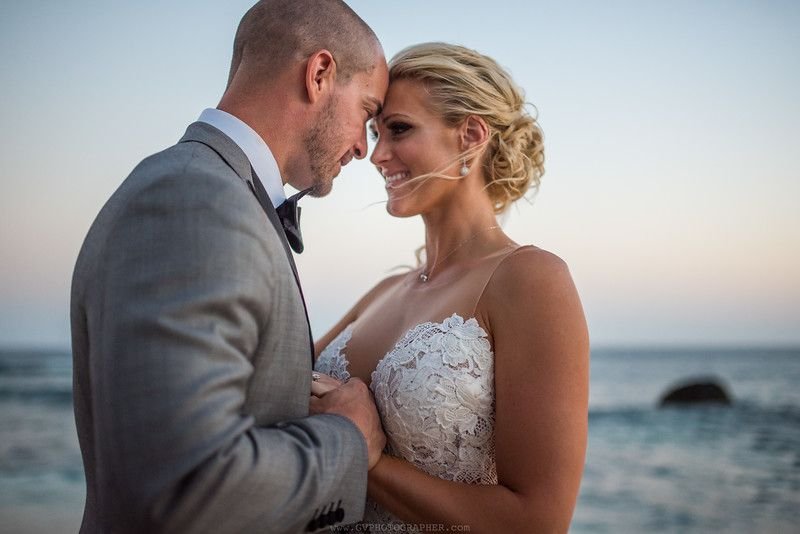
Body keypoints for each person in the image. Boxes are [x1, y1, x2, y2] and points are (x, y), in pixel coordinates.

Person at [70, 1, 388, 532]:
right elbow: (186, 487)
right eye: (367, 112)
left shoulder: (208, 189)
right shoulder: (194, 198)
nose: (362, 146)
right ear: (320, 74)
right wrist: (347, 437)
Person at [312, 43, 589, 532]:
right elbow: (280, 385)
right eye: (376, 132)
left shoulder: (531, 281)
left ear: (471, 135)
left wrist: (367, 459)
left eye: (398, 129)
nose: (376, 155)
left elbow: (538, 521)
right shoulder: (385, 290)